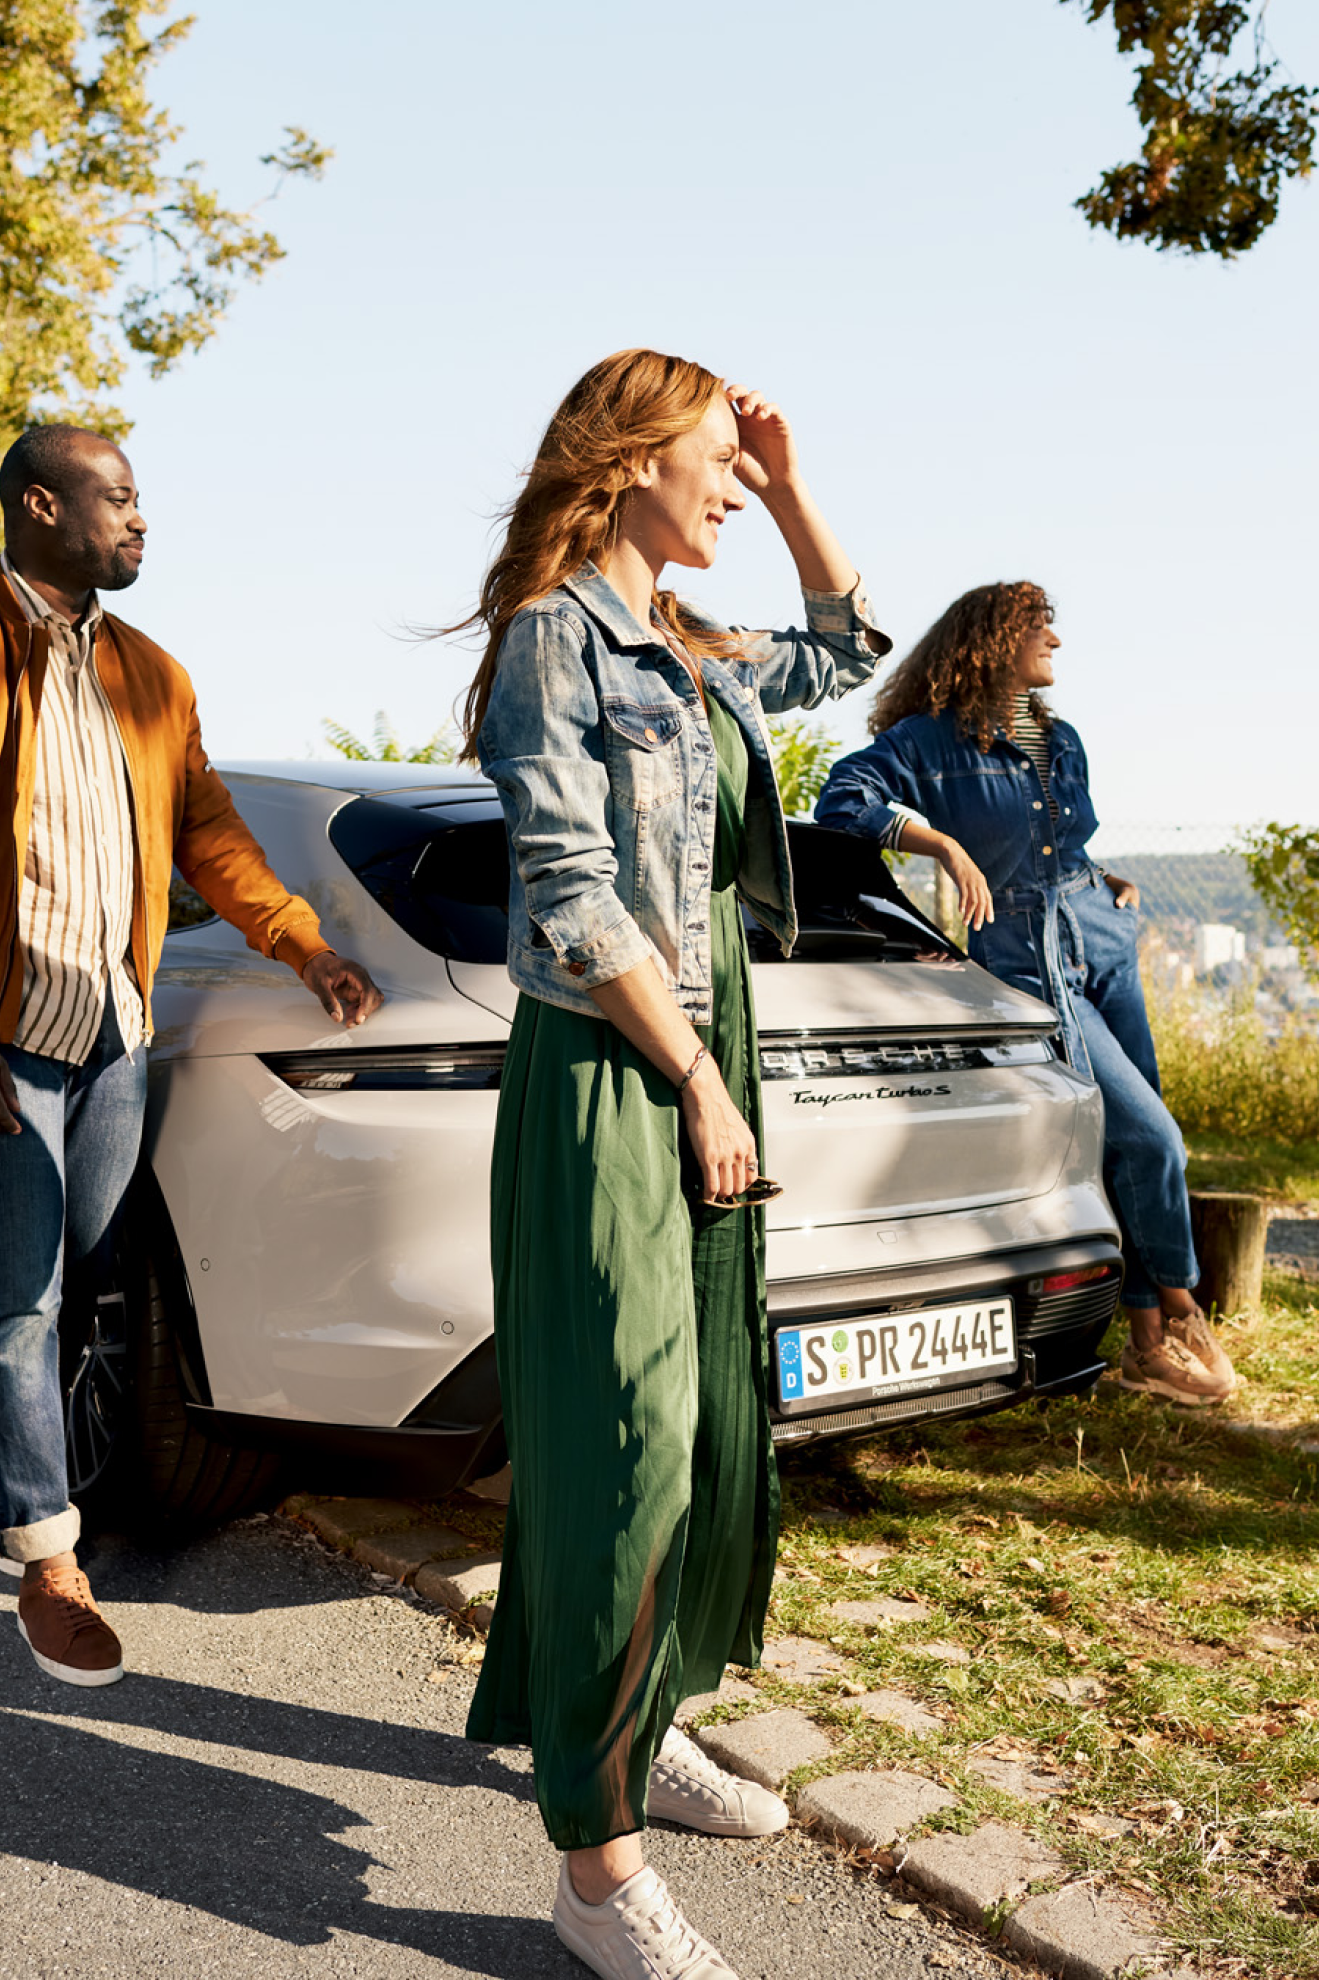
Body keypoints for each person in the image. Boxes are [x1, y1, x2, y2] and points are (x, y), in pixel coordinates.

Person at [459, 349, 890, 1980]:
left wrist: (787, 485)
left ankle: (641, 1735)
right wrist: (699, 1079)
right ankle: (595, 1868)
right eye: (713, 457)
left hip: (711, 1059)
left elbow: (849, 644)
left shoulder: (692, 647)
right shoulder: (549, 645)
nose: (726, 478)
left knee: (707, 1433)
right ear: (628, 458)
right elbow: (571, 902)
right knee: (622, 1453)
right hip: (614, 1070)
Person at [0, 426, 383, 1686]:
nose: (143, 521)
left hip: (112, 1032)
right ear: (40, 505)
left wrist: (301, 946)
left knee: (76, 1274)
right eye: (120, 499)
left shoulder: (156, 675)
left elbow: (209, 832)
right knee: (20, 1290)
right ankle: (46, 1557)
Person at [813, 580, 1237, 1408]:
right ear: (993, 637)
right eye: (1041, 625)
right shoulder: (929, 743)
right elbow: (843, 799)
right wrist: (936, 842)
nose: (1056, 641)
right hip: (1027, 956)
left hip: (1103, 937)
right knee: (1153, 1140)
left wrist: (1105, 878)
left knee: (1132, 1131)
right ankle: (1183, 1306)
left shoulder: (1063, 737)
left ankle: (1148, 1342)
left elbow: (1059, 838)